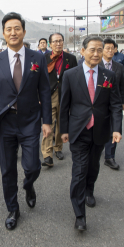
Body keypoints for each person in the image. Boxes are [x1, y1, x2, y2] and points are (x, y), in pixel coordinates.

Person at [0, 12, 52, 231]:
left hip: (31, 120)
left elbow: (45, 91)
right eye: (9, 29)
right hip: (6, 123)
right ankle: (13, 209)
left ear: (24, 31)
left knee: (32, 166)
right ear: (3, 33)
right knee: (7, 169)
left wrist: (47, 121)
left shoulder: (37, 58)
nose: (13, 33)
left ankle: (29, 185)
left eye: (17, 28)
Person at [60, 36, 123, 231]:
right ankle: (79, 215)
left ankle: (89, 190)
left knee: (93, 167)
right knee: (79, 171)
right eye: (92, 50)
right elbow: (64, 105)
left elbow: (115, 106)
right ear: (83, 51)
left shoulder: (108, 76)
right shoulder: (71, 75)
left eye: (100, 50)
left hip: (100, 131)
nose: (96, 54)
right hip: (79, 130)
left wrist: (116, 129)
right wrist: (63, 130)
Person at [42, 32, 77, 167]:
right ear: (50, 44)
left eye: (60, 41)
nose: (58, 43)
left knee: (61, 123)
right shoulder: (43, 59)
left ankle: (58, 147)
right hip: (49, 96)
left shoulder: (71, 59)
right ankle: (47, 154)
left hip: (65, 95)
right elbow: (38, 80)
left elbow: (75, 79)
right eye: (55, 41)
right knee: (48, 124)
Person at [99, 38, 124, 170]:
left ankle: (110, 157)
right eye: (107, 48)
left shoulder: (119, 66)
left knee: (114, 128)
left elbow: (122, 85)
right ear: (102, 49)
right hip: (98, 103)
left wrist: (122, 101)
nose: (110, 50)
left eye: (112, 48)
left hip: (114, 103)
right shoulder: (95, 64)